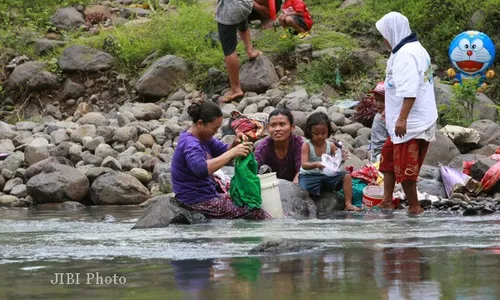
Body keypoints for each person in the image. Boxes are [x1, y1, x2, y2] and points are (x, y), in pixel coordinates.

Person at [374, 12, 438, 215]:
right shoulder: (406, 50)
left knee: (406, 168)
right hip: (405, 119)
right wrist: (390, 111)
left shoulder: (406, 55)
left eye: (384, 35)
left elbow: (410, 91)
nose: (384, 40)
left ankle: (415, 207)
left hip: (412, 121)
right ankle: (386, 200)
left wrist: (401, 118)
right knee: (388, 157)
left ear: (392, 33)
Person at [170, 101, 270, 220]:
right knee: (254, 211)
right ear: (200, 123)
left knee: (244, 199)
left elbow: (222, 150)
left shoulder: (204, 137)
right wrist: (232, 152)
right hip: (195, 201)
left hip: (208, 194)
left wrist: (235, 143)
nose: (216, 132)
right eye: (215, 128)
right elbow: (201, 169)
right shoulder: (190, 143)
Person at [298, 112, 360, 211]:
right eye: (316, 133)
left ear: (328, 132)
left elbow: (337, 162)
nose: (320, 136)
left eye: (323, 133)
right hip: (309, 176)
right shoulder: (307, 145)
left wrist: (342, 158)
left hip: (326, 175)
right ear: (310, 132)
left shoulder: (330, 145)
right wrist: (316, 164)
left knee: (347, 176)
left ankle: (348, 203)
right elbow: (304, 165)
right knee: (303, 190)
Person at [216, 0, 262, 103]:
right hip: (245, 4)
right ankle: (250, 51)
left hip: (229, 9)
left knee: (229, 50)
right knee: (241, 20)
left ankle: (236, 89)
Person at [254, 108, 303, 184]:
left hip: (294, 186)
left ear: (292, 128)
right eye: (273, 125)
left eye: (282, 124)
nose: (277, 129)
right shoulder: (263, 147)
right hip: (270, 186)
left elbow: (301, 171)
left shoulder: (298, 144)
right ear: (268, 128)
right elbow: (252, 170)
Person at [369, 82, 389, 163]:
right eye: (376, 100)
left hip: (381, 156)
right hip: (378, 156)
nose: (379, 104)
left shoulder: (383, 117)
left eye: (383, 101)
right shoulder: (379, 117)